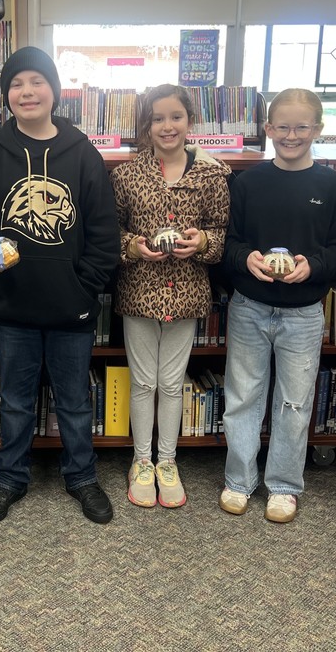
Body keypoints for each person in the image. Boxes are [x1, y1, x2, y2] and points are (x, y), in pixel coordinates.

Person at [0, 46, 120, 526]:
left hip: (71, 306)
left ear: (54, 90)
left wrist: (83, 286)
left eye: (36, 81)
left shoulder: (83, 154)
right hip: (11, 306)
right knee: (15, 399)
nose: (26, 92)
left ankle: (82, 476)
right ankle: (9, 476)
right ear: (6, 95)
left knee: (74, 399)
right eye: (16, 84)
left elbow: (104, 233)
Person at [219, 88, 336, 524]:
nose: (291, 135)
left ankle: (283, 485)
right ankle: (239, 480)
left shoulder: (334, 186)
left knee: (294, 400)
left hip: (303, 312)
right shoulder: (247, 182)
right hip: (249, 306)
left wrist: (312, 268)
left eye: (302, 127)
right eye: (282, 126)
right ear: (268, 129)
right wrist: (247, 259)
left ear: (318, 129)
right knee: (242, 395)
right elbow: (228, 243)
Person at [109, 84, 230, 508]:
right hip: (140, 291)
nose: (167, 126)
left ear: (189, 121)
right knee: (143, 381)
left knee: (172, 384)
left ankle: (167, 461)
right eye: (158, 118)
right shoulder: (125, 174)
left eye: (175, 116)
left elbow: (221, 235)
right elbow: (113, 232)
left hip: (187, 294)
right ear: (146, 125)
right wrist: (132, 247)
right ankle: (142, 461)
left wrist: (202, 243)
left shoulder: (212, 175)